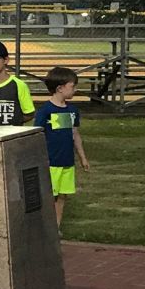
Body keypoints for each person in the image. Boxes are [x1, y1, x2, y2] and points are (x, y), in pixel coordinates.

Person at [33, 67, 88, 227]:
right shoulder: (46, 111)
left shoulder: (72, 111)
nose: (75, 90)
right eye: (73, 86)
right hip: (51, 162)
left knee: (63, 195)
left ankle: (56, 226)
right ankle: (45, 226)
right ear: (60, 88)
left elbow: (74, 134)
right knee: (50, 196)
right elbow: (37, 134)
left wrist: (82, 157)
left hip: (67, 162)